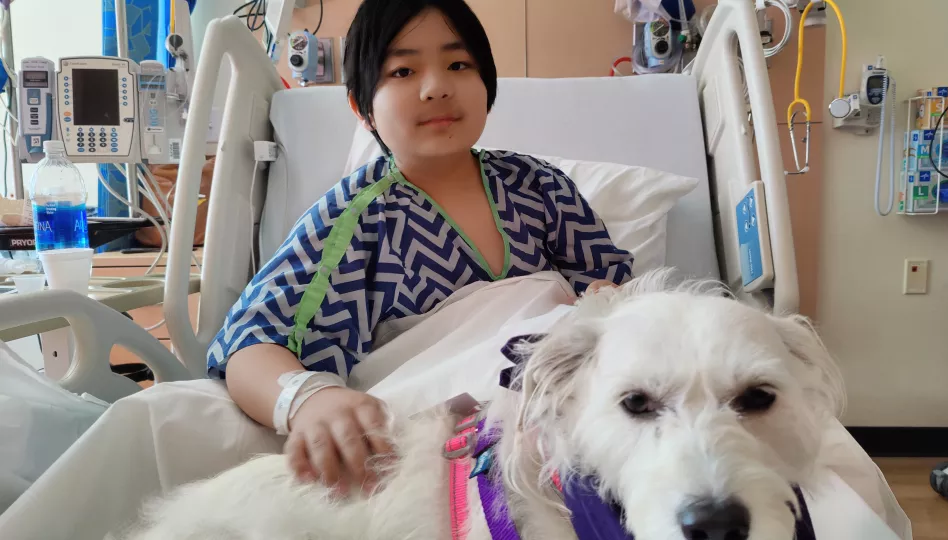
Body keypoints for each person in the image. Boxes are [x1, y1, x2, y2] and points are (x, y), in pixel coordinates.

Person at [207, 0, 633, 495]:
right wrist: (308, 398)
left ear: (487, 83)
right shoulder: (354, 218)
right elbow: (250, 343)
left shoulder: (539, 186)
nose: (437, 87)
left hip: (555, 421)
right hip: (432, 445)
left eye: (459, 64)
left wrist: (605, 301)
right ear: (361, 106)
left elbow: (613, 291)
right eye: (403, 70)